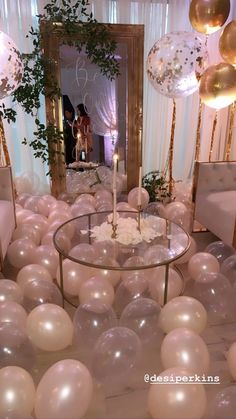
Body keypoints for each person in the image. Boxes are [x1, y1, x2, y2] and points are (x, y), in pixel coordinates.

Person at [62, 95, 76, 165]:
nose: (66, 115)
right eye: (65, 113)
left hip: (73, 144)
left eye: (67, 113)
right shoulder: (65, 122)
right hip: (67, 144)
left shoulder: (74, 123)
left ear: (71, 113)